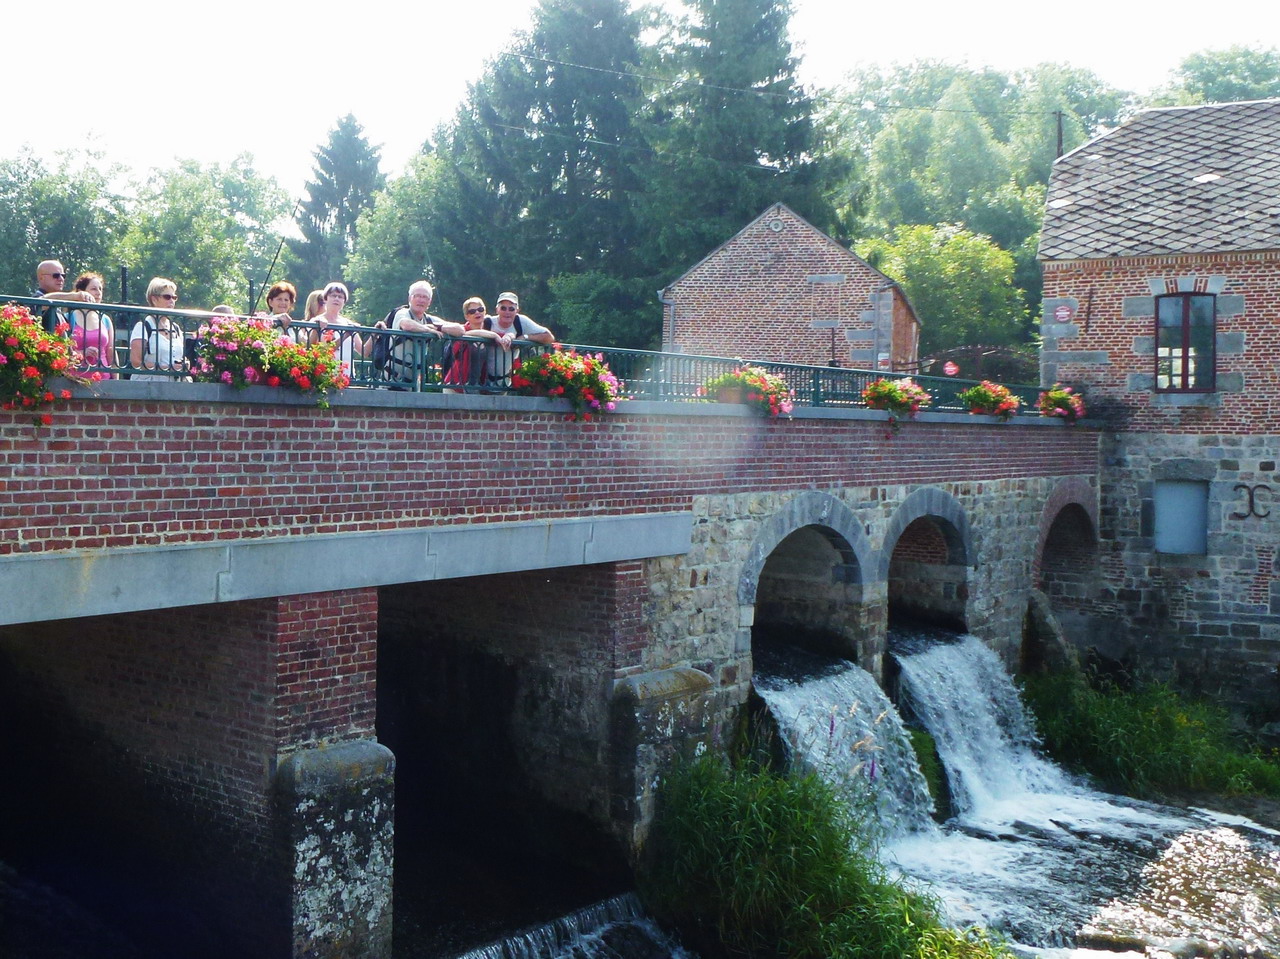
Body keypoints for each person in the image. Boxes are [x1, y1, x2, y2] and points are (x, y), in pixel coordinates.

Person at [382, 281, 465, 388]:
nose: (421, 300)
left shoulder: (430, 319)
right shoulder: (402, 313)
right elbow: (407, 325)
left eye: (425, 297)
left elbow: (460, 330)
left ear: (429, 301)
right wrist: (428, 330)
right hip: (391, 380)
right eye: (417, 296)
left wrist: (438, 327)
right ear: (409, 299)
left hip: (414, 383)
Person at [486, 291, 554, 386]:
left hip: (505, 381)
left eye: (511, 309)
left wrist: (526, 337)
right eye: (503, 308)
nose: (507, 312)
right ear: (497, 310)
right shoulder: (487, 322)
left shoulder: (521, 322)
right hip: (481, 379)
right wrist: (494, 336)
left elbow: (549, 337)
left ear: (517, 311)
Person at [129, 277, 188, 381]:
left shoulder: (176, 329)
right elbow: (136, 362)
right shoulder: (143, 327)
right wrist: (167, 368)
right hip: (147, 388)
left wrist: (185, 364)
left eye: (174, 297)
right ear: (154, 299)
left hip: (174, 387)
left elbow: (181, 356)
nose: (172, 301)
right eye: (167, 297)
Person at [307, 282, 372, 372]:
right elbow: (318, 351)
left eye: (340, 297)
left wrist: (375, 334)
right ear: (325, 299)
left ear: (344, 302)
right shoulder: (317, 321)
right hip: (325, 378)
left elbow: (364, 352)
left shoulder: (348, 323)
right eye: (333, 296)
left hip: (347, 378)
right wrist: (345, 335)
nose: (336, 299)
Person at [442, 297, 501, 393]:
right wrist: (493, 335)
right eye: (472, 311)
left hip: (476, 388)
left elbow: (503, 337)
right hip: (454, 387)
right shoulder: (460, 331)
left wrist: (510, 336)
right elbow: (457, 347)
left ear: (485, 312)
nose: (477, 313)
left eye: (480, 309)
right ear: (466, 316)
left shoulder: (488, 332)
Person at [68, 272, 115, 378]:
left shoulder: (105, 319)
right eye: (94, 289)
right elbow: (62, 351)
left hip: (103, 380)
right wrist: (82, 353)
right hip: (75, 380)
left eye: (100, 289)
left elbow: (110, 352)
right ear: (81, 292)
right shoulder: (69, 317)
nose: (98, 293)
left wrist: (116, 382)